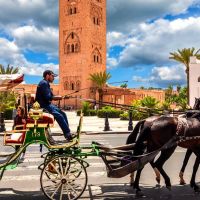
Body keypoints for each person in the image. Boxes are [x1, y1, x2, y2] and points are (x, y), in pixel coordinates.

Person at [35, 70, 74, 141]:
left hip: (47, 104)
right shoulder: (43, 83)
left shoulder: (46, 84)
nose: (54, 78)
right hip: (43, 106)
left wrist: (63, 97)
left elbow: (52, 96)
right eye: (52, 76)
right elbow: (48, 97)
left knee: (63, 113)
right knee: (60, 116)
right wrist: (60, 97)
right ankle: (68, 134)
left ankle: (67, 133)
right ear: (47, 75)